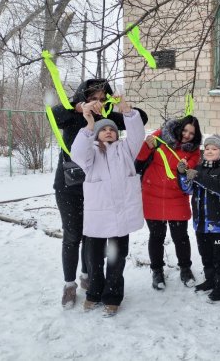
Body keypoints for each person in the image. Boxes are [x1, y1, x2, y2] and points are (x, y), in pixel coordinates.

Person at [51, 79, 148, 308]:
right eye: (93, 98)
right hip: (70, 187)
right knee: (73, 235)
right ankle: (69, 285)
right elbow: (53, 115)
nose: (98, 102)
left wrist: (121, 107)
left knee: (91, 237)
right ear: (81, 97)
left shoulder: (107, 120)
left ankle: (89, 278)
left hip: (100, 190)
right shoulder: (72, 114)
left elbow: (139, 119)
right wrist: (79, 109)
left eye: (103, 98)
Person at [70, 96, 145, 316]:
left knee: (116, 258)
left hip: (121, 215)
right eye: (104, 130)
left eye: (112, 129)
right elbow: (77, 153)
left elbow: (138, 135)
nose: (109, 132)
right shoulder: (91, 152)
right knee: (94, 259)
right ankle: (94, 293)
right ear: (97, 134)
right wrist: (89, 124)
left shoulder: (126, 151)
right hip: (98, 215)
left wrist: (128, 113)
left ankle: (112, 296)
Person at [136, 115, 202, 289]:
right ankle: (157, 271)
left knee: (180, 237)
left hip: (177, 197)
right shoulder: (160, 136)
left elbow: (192, 168)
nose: (187, 135)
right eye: (185, 130)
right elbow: (140, 160)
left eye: (191, 133)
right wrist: (146, 146)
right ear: (179, 127)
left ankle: (185, 268)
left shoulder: (193, 150)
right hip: (152, 194)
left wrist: (186, 168)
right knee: (156, 236)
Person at [177, 134, 220, 302]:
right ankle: (210, 280)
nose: (209, 151)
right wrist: (182, 174)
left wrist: (198, 176)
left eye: (214, 148)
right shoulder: (200, 167)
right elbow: (188, 190)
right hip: (200, 222)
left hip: (219, 224)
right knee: (205, 255)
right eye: (207, 148)